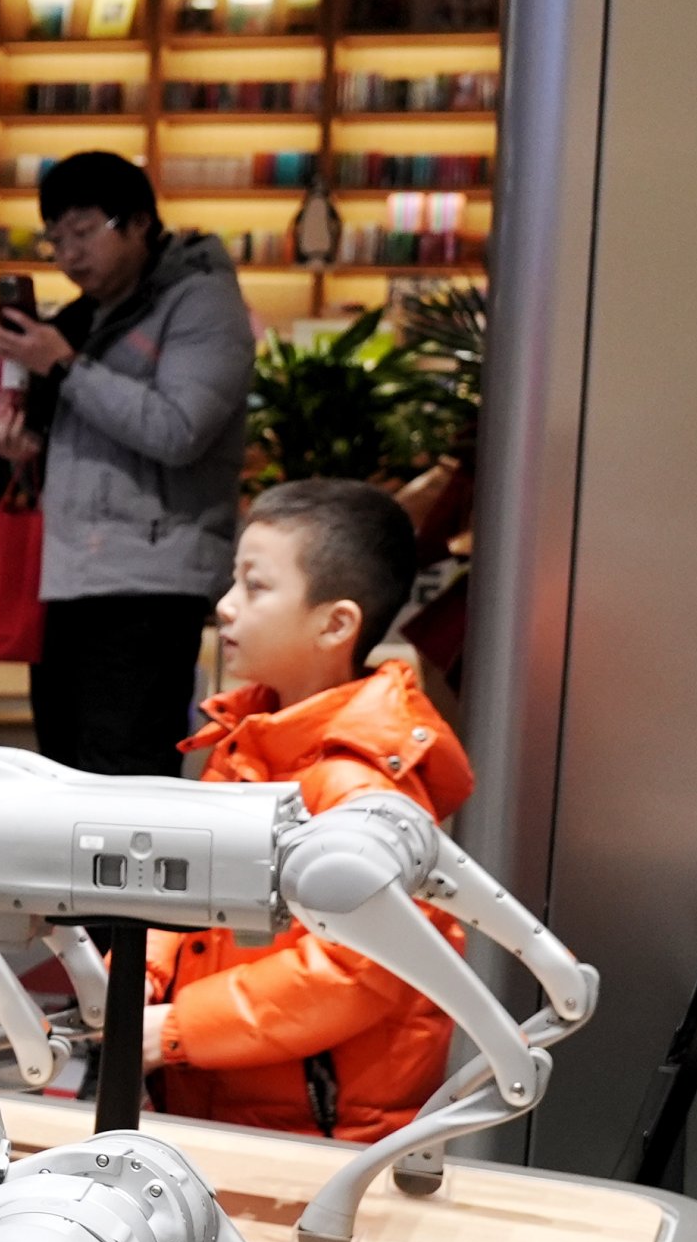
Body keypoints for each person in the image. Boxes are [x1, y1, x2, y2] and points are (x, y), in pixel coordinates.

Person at [142, 480, 471, 1138]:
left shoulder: (366, 785)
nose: (226, 607)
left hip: (319, 1139)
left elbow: (354, 970)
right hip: (217, 1105)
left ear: (335, 623)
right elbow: (175, 898)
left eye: (254, 587)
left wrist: (174, 1027)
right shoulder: (245, 743)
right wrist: (132, 987)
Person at [0, 150, 252, 776]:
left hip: (149, 582)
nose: (69, 255)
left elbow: (180, 430)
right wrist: (25, 453)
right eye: (56, 239)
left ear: (137, 223)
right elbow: (92, 449)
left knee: (124, 775)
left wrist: (66, 365)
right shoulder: (87, 316)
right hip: (71, 575)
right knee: (62, 769)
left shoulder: (202, 306)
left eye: (84, 233)